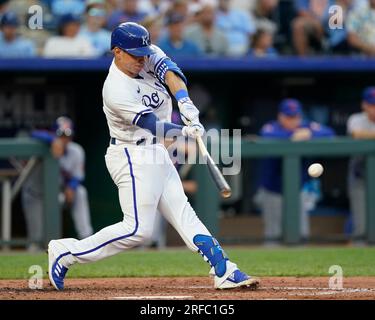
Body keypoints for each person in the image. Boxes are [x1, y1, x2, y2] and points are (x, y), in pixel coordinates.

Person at [47, 22, 259, 291]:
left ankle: (224, 269)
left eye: (143, 52)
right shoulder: (116, 89)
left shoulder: (146, 54)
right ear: (117, 52)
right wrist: (185, 130)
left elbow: (171, 73)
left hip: (155, 151)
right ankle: (66, 251)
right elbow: (151, 125)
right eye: (135, 54)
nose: (141, 59)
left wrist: (184, 102)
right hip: (130, 153)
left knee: (184, 214)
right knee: (138, 230)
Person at [255, 98, 335, 244]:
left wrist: (309, 134)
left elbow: (329, 133)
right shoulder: (271, 127)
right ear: (280, 116)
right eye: (289, 117)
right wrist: (292, 137)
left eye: (295, 117)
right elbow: (266, 135)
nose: (293, 121)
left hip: (298, 189)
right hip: (273, 189)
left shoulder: (306, 127)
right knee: (273, 236)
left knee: (301, 234)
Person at [22, 117, 93, 251]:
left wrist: (71, 187)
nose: (65, 139)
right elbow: (31, 134)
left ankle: (86, 238)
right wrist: (52, 140)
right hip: (35, 196)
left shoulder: (76, 151)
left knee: (80, 192)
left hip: (57, 196)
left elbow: (78, 176)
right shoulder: (41, 143)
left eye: (68, 135)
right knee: (36, 239)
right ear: (53, 133)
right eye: (60, 135)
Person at [347, 87, 375, 241]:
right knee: (361, 225)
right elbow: (356, 133)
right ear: (364, 105)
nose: (374, 109)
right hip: (359, 174)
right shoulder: (356, 119)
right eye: (371, 104)